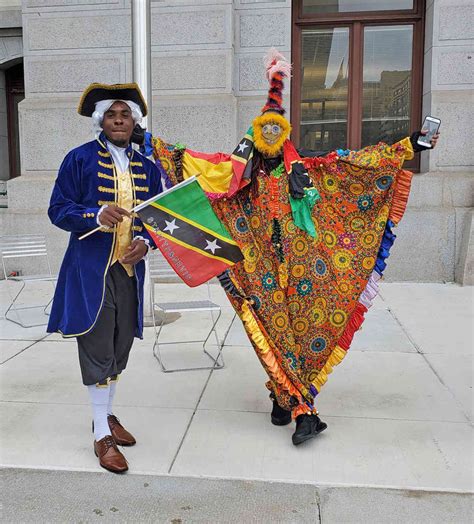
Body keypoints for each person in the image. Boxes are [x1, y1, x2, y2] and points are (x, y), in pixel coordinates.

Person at [147, 49, 439, 446]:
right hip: (257, 268)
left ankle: (288, 401)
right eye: (262, 134)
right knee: (270, 333)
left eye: (275, 133)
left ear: (283, 137)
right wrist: (146, 140)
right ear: (253, 137)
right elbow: (191, 163)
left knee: (302, 336)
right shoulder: (238, 177)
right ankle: (302, 410)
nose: (268, 141)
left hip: (305, 268)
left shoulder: (308, 172)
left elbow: (360, 162)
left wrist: (412, 145)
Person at [47, 83, 164, 472]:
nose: (119, 120)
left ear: (134, 121)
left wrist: (146, 244)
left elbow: (159, 220)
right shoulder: (78, 160)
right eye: (112, 115)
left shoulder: (148, 166)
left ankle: (107, 414)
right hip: (90, 271)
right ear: (101, 120)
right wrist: (93, 216)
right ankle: (101, 433)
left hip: (129, 271)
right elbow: (58, 209)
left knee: (119, 348)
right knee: (97, 348)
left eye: (125, 114)